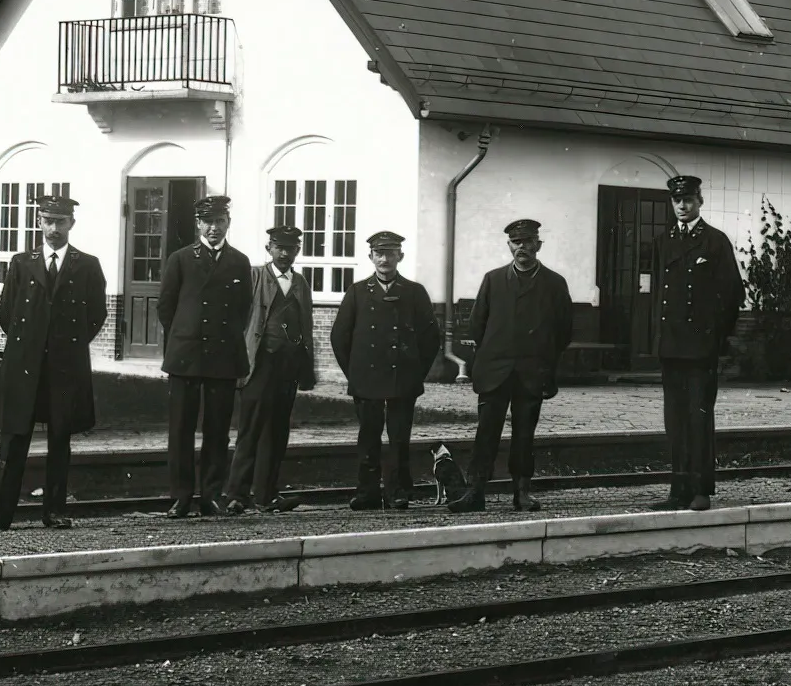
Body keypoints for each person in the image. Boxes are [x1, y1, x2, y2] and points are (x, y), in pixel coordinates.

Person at [0, 193, 109, 532]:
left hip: (65, 367)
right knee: (13, 437)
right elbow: (7, 314)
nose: (54, 228)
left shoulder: (88, 264)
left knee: (60, 439)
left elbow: (96, 314)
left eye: (60, 222)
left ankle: (54, 511)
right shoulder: (21, 263)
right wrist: (31, 345)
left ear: (72, 224)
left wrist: (67, 344)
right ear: (39, 222)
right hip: (24, 365)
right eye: (48, 221)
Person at [447, 218, 573, 514]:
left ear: (538, 246)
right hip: (494, 373)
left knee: (524, 434)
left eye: (527, 242)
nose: (521, 248)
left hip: (532, 373)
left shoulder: (554, 283)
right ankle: (475, 492)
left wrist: (543, 359)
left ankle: (522, 493)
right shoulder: (493, 279)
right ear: (508, 246)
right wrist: (494, 354)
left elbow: (564, 330)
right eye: (516, 243)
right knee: (486, 432)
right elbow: (477, 324)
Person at [157, 194, 254, 518]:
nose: (214, 228)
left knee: (217, 429)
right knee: (181, 429)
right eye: (208, 222)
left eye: (220, 222)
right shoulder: (181, 259)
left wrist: (221, 338)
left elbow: (243, 309)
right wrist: (185, 336)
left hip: (222, 356)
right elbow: (166, 308)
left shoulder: (239, 261)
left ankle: (211, 495)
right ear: (198, 223)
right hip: (186, 354)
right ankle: (181, 496)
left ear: (228, 223)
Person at [651, 175, 744, 513]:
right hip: (671, 347)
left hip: (701, 348)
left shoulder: (715, 242)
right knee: (674, 420)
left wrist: (716, 339)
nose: (683, 205)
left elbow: (733, 293)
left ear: (699, 201)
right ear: (671, 203)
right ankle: (678, 490)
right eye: (677, 200)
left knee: (699, 418)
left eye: (688, 199)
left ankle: (701, 489)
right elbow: (658, 294)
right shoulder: (664, 241)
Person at [330, 230, 441, 511]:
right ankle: (367, 492)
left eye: (390, 253)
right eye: (379, 253)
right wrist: (354, 374)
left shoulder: (414, 292)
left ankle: (397, 492)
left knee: (399, 439)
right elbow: (339, 337)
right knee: (368, 437)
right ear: (370, 257)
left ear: (400, 257)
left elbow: (430, 339)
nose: (384, 259)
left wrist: (416, 372)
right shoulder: (356, 292)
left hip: (402, 379)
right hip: (366, 380)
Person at [224, 224, 317, 515]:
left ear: (298, 251)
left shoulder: (301, 283)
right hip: (259, 365)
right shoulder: (254, 277)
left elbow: (306, 327)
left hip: (287, 368)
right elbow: (239, 320)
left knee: (277, 432)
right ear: (269, 249)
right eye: (280, 248)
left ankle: (266, 495)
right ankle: (237, 494)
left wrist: (306, 368)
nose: (285, 253)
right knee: (250, 429)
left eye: (291, 249)